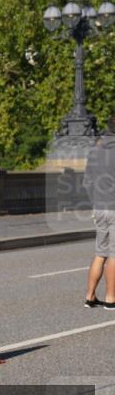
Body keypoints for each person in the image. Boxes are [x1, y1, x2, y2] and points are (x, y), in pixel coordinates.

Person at [83, 116, 115, 309]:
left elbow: (87, 182)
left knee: (100, 253)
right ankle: (111, 298)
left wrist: (95, 201)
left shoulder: (95, 150)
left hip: (100, 207)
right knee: (114, 254)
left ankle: (90, 296)